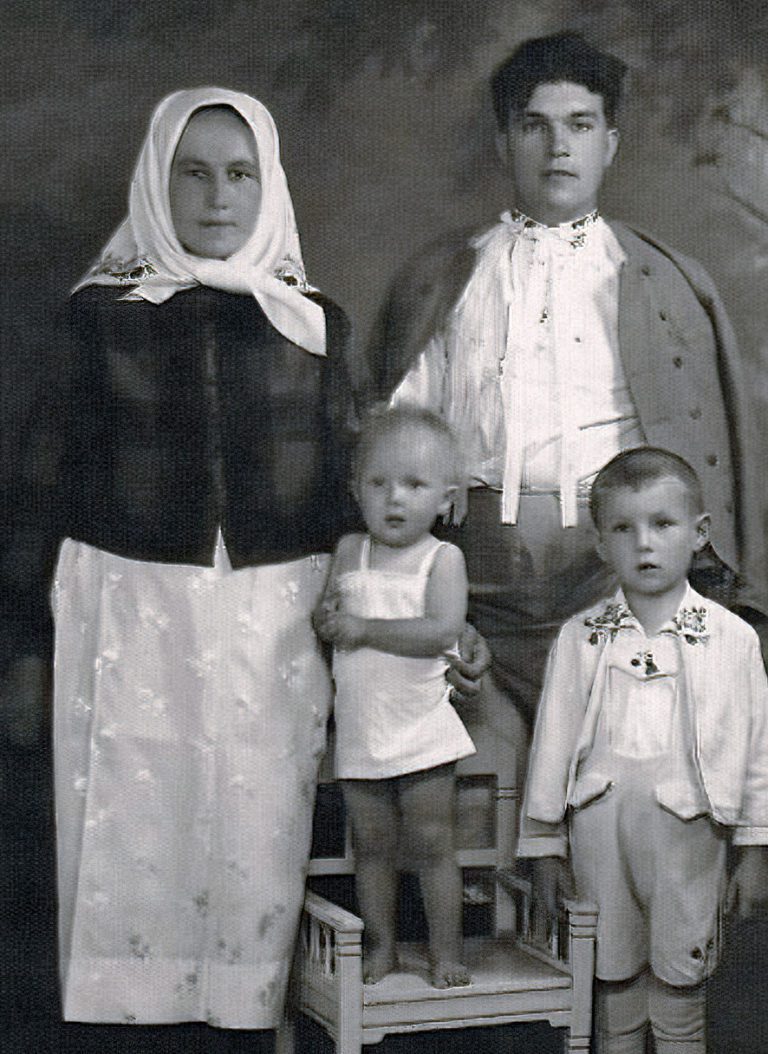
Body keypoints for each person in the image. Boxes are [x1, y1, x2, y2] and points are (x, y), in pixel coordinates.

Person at [0, 88, 357, 1044]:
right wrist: (25, 648)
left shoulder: (314, 324)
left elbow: (345, 485)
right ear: (157, 185)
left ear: (268, 187)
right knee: (135, 820)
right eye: (191, 173)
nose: (216, 197)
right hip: (129, 600)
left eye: (240, 174)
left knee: (257, 818)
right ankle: (132, 1018)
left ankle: (245, 1008)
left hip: (275, 607)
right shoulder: (98, 321)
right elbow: (37, 487)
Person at [366, 31, 768, 732]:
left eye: (580, 126)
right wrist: (426, 603)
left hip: (618, 578)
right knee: (473, 787)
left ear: (609, 143)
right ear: (503, 143)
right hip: (475, 586)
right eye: (535, 126)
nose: (559, 148)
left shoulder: (663, 283)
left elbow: (711, 457)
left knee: (626, 785)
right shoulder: (447, 280)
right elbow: (394, 452)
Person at [518, 447, 768, 1054]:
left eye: (663, 524)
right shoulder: (582, 636)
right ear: (602, 544)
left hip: (689, 834)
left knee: (681, 979)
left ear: (699, 533)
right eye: (624, 529)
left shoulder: (730, 637)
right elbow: (551, 742)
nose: (645, 545)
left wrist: (756, 848)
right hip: (601, 829)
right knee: (613, 973)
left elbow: (758, 745)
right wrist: (545, 844)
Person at [315, 407, 475, 988]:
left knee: (433, 843)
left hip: (421, 727)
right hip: (362, 729)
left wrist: (361, 631)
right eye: (378, 483)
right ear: (356, 490)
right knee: (373, 846)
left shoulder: (442, 559)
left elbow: (440, 631)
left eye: (414, 484)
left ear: (446, 499)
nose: (394, 498)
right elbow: (328, 617)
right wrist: (329, 619)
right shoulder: (349, 550)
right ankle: (381, 947)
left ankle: (445, 951)